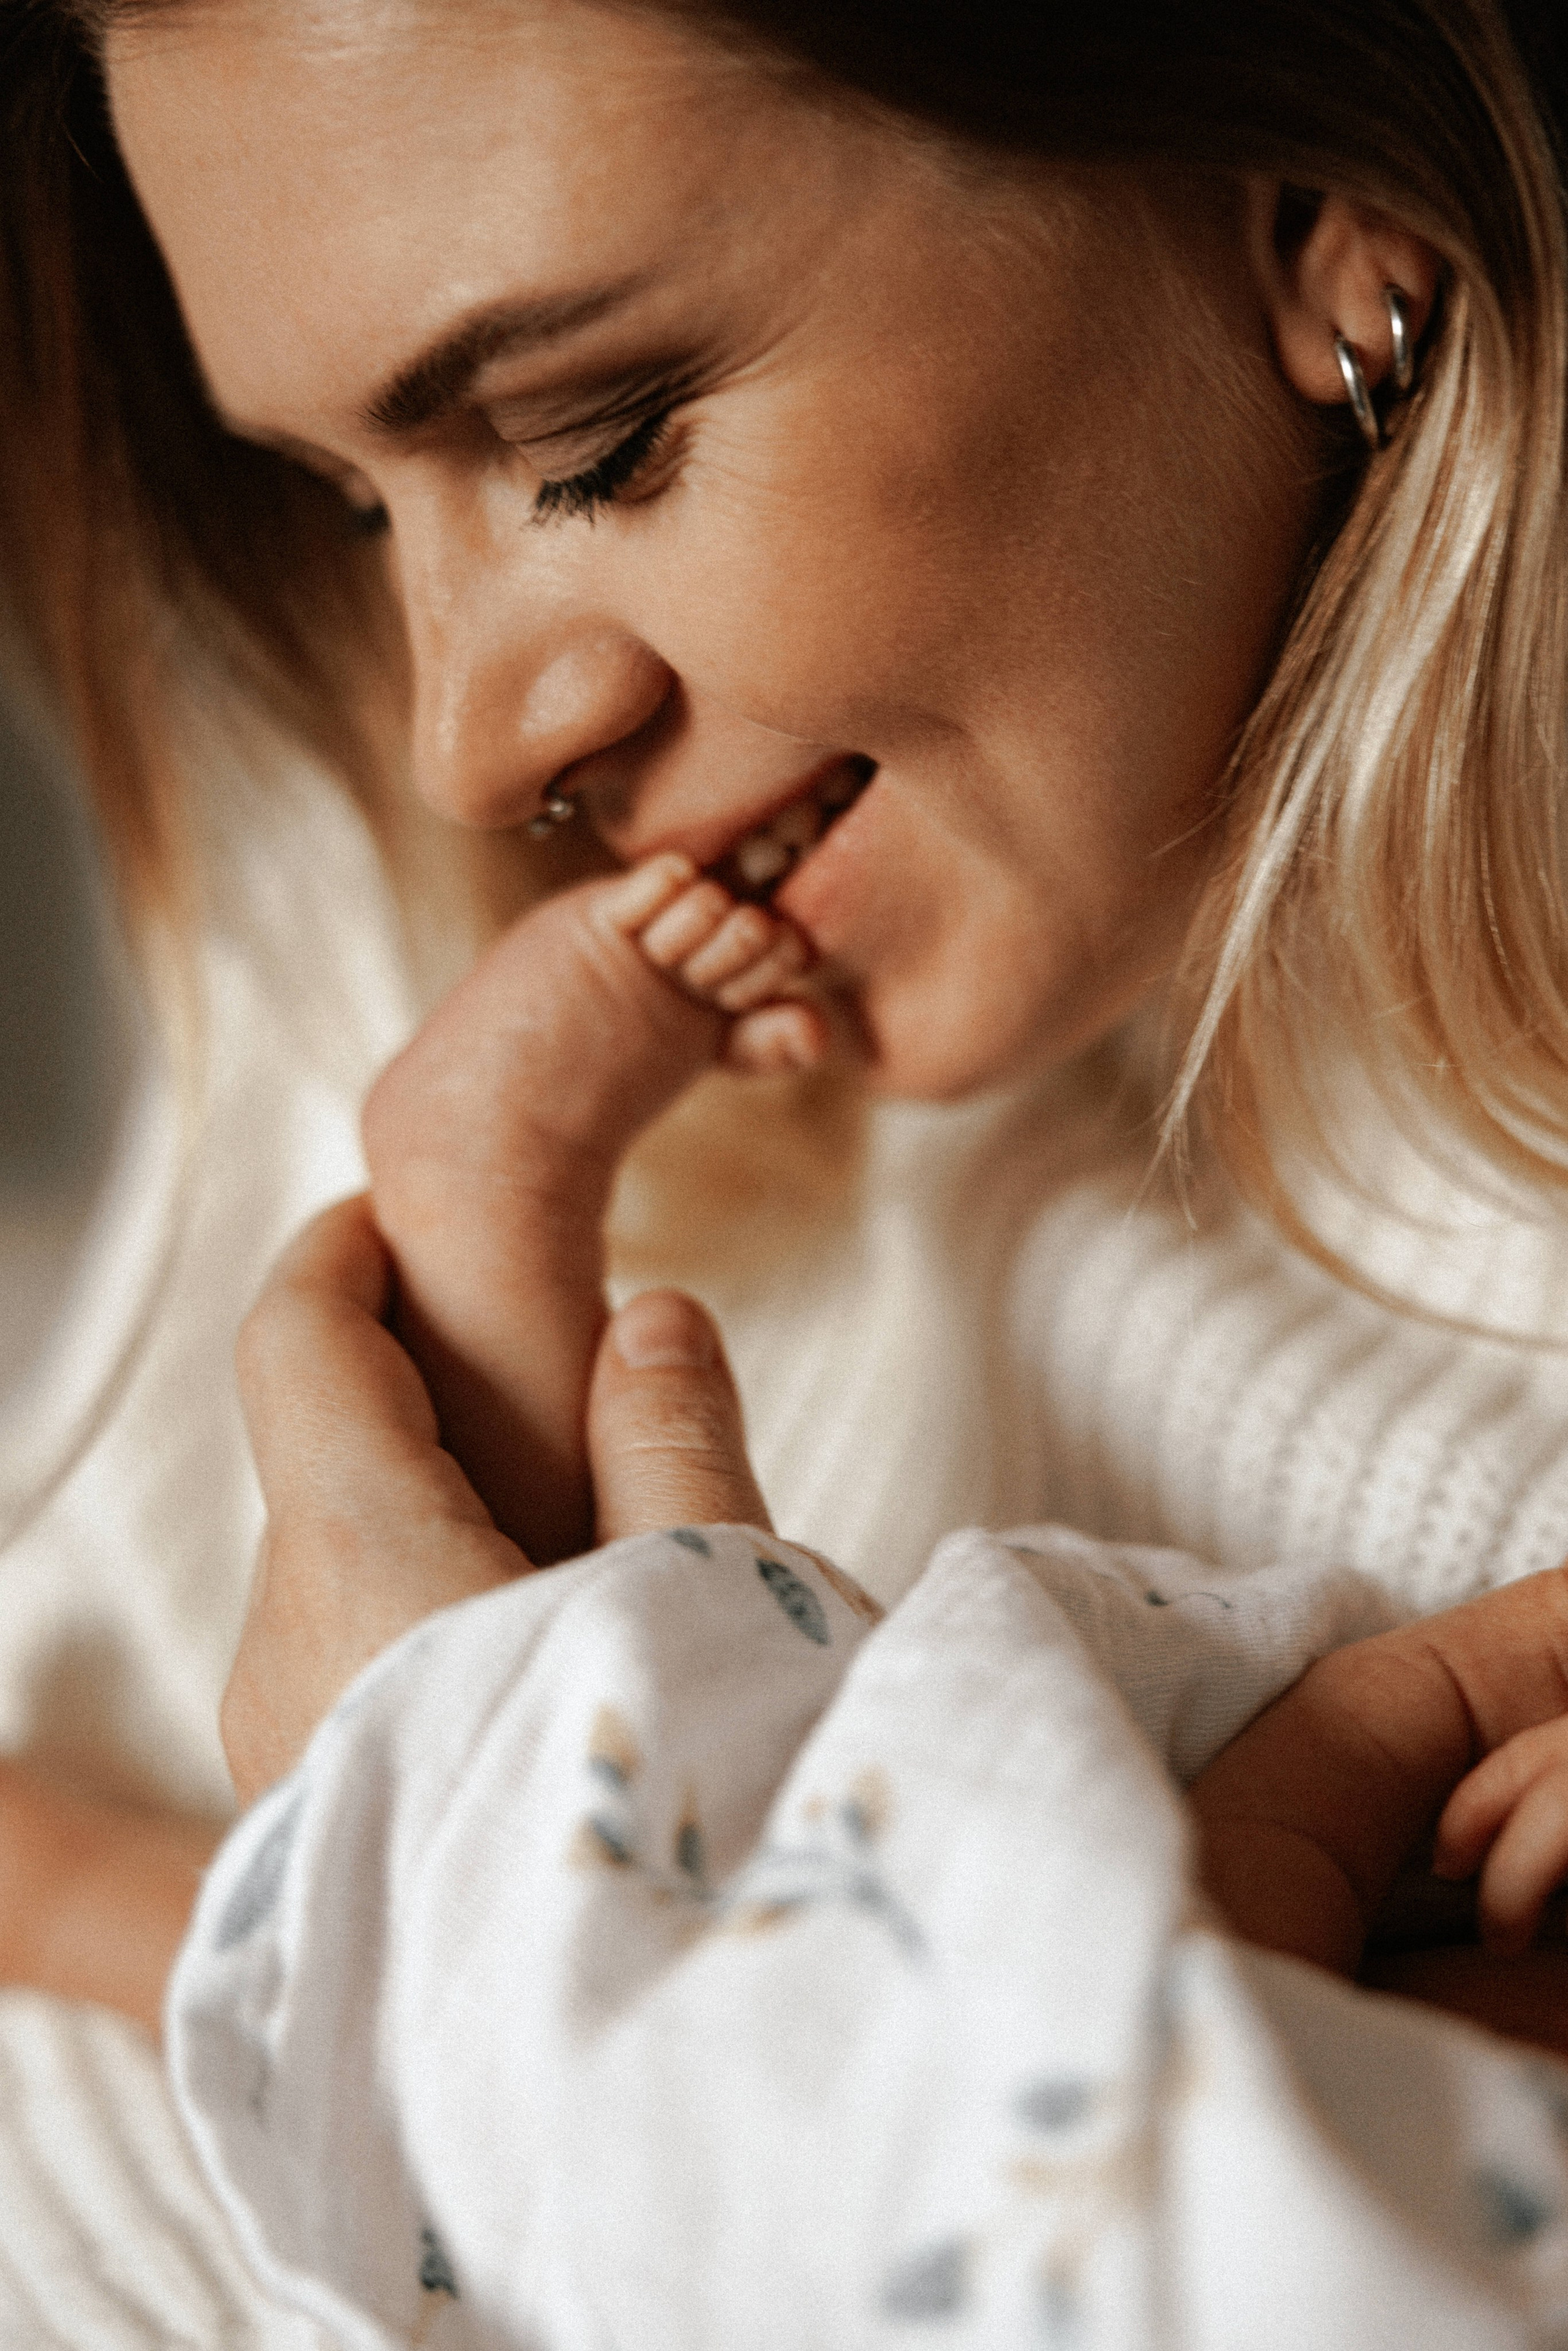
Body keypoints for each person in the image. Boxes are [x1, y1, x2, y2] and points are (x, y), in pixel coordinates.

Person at [4, 0, 1568, 2338]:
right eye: (354, 503)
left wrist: (474, 1824)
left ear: (1322, 200)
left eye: (595, 440)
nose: (464, 745)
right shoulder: (414, 973)